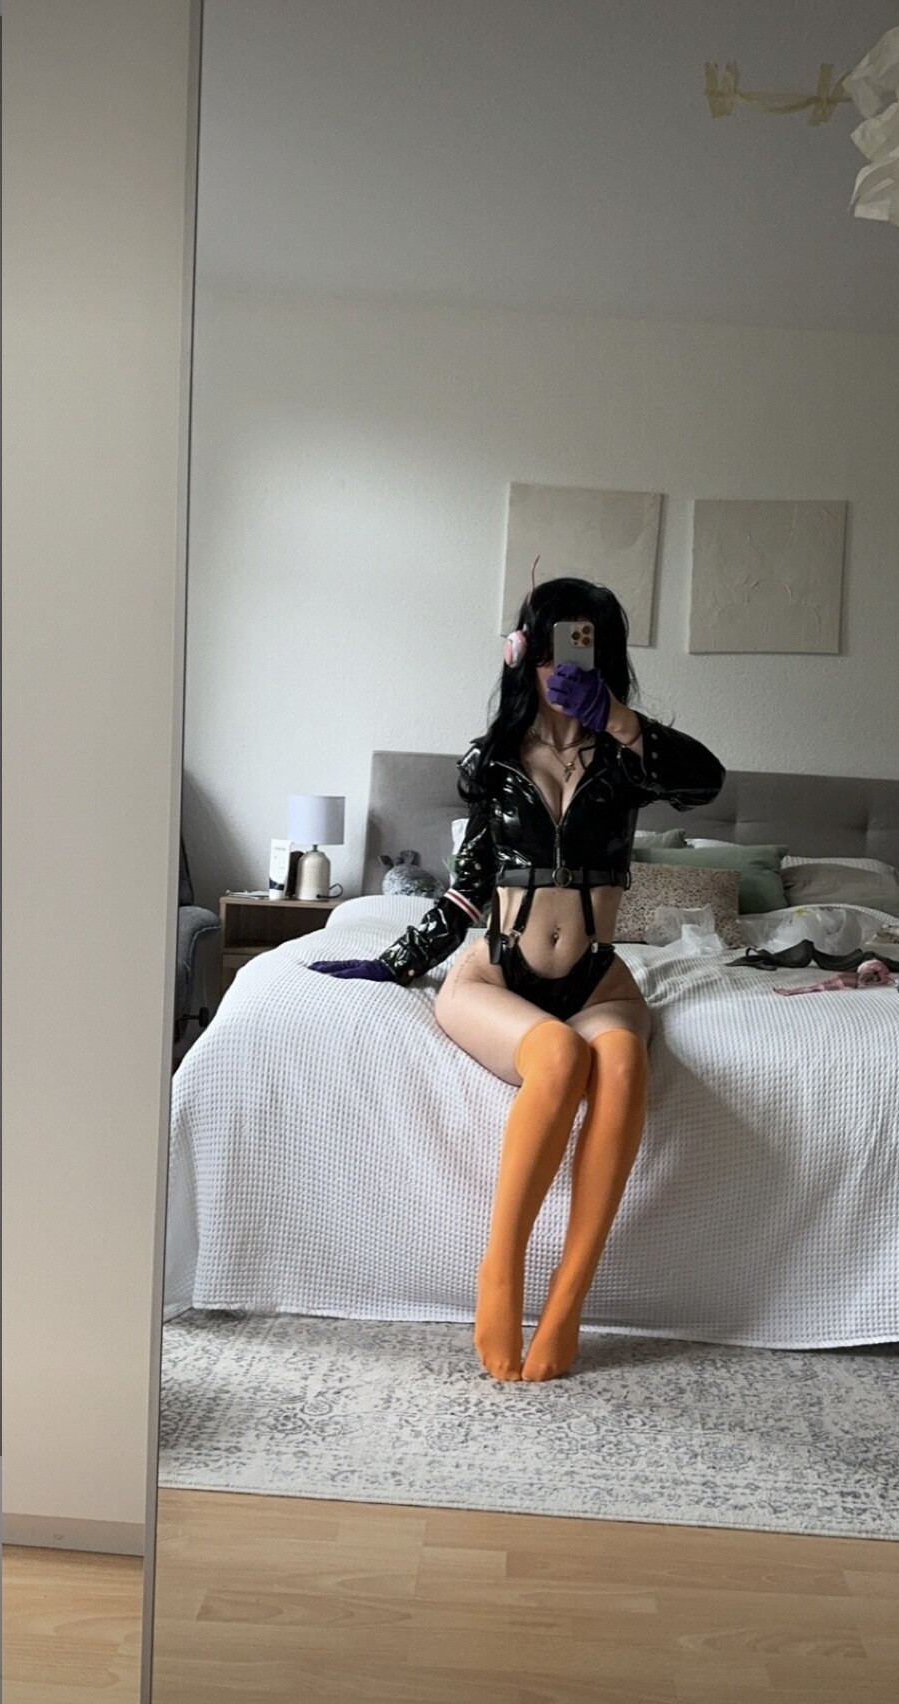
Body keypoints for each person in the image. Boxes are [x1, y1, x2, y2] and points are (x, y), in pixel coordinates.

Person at [310, 578, 726, 1382]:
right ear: (524, 651)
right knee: (560, 1059)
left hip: (597, 980)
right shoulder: (492, 760)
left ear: (604, 656)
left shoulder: (628, 760)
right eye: (550, 643)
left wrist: (620, 720)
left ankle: (568, 1296)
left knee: (621, 1063)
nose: (562, 662)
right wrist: (395, 961)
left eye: (583, 643)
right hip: (496, 975)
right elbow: (465, 890)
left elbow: (705, 781)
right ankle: (498, 1273)